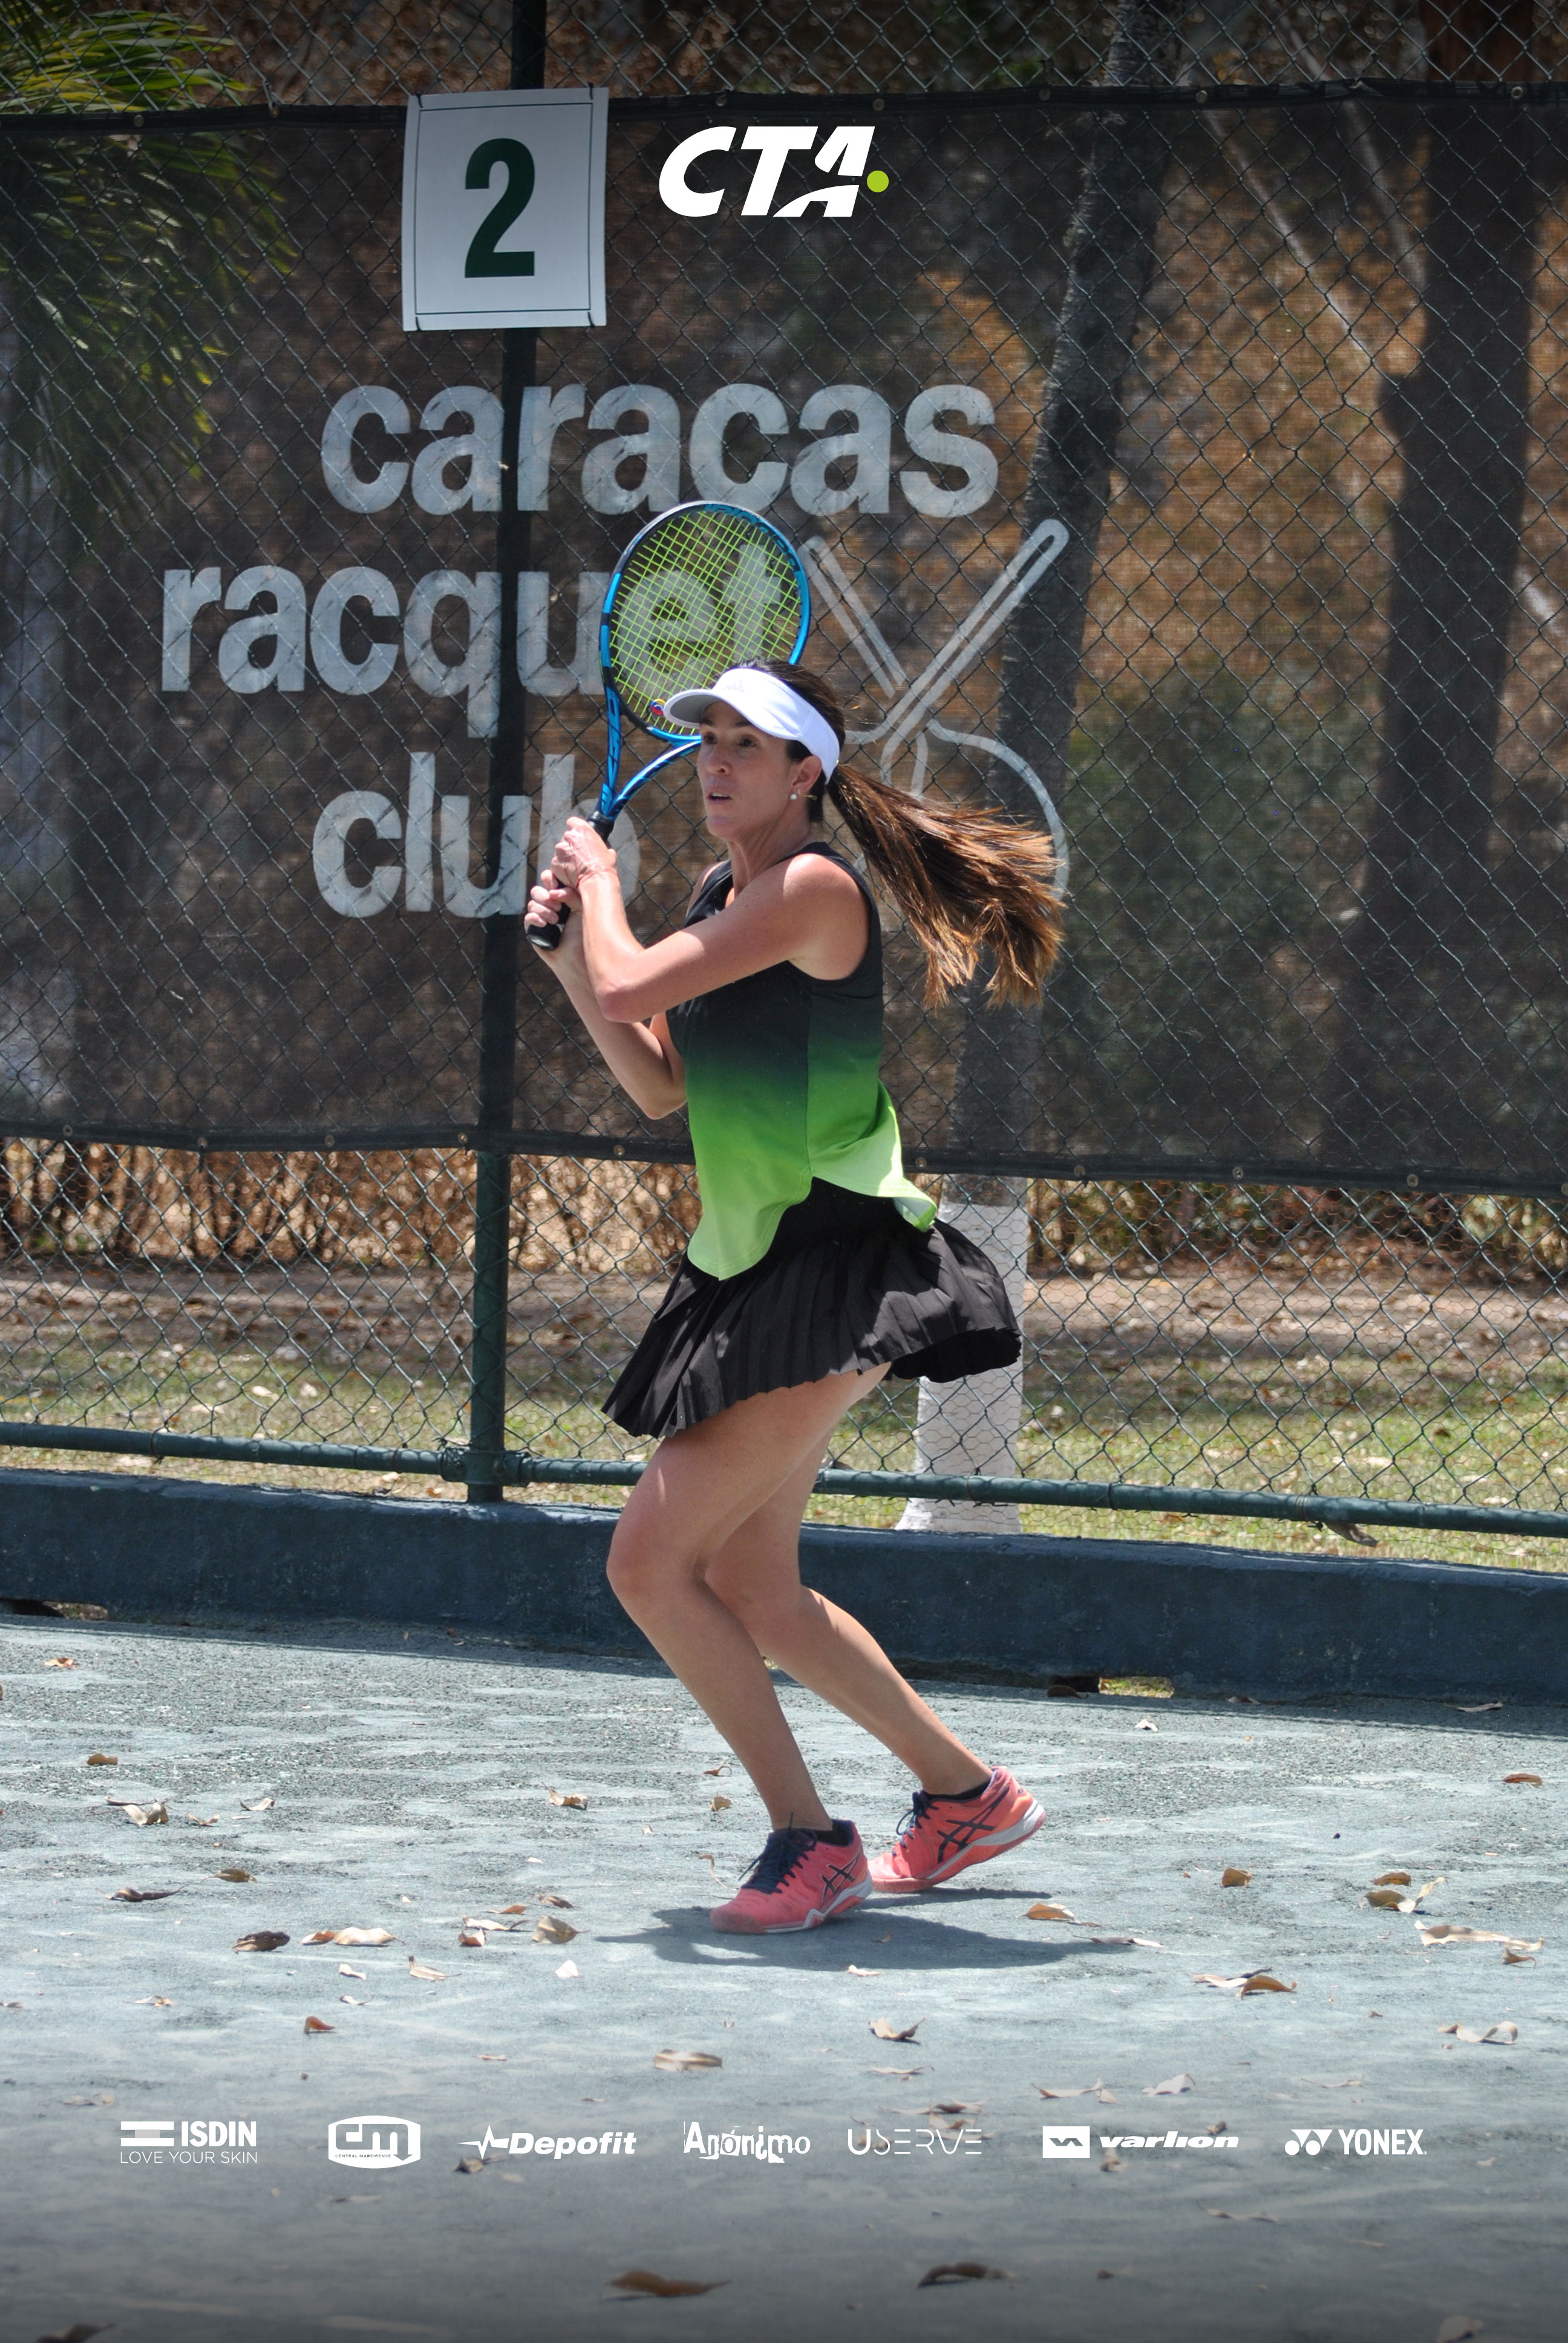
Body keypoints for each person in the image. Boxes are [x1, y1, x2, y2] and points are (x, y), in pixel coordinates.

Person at [525, 660, 1062, 1934]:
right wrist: (568, 959)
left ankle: (809, 1838)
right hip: (756, 1263)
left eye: (746, 745)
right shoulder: (726, 891)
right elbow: (661, 1077)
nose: (715, 761)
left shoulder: (814, 892)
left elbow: (634, 979)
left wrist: (599, 895)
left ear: (806, 770)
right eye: (706, 737)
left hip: (837, 1266)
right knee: (757, 1587)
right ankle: (965, 1794)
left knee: (651, 1563)